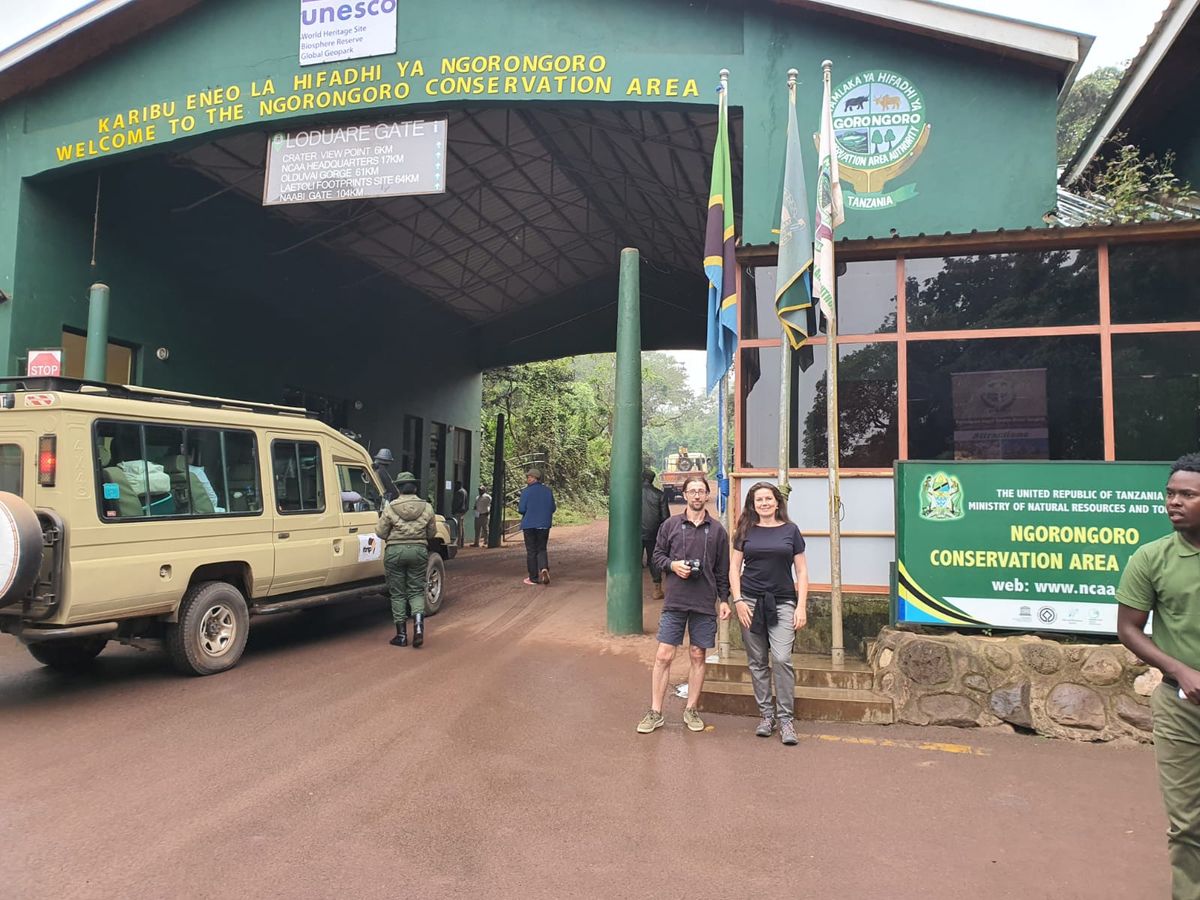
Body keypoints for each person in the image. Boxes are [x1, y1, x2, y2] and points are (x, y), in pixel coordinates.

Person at [1117, 453, 1200, 899]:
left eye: (1187, 494)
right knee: (1188, 821)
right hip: (1181, 708)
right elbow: (1128, 628)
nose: (1174, 502)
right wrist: (1179, 669)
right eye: (1170, 493)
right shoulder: (1151, 558)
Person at [637, 475, 730, 734]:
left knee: (698, 654)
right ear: (685, 495)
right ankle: (655, 711)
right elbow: (656, 556)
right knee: (663, 655)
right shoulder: (670, 525)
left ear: (707, 495)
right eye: (692, 491)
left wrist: (724, 600)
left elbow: (723, 569)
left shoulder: (718, 530)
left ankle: (691, 708)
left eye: (701, 491)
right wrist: (672, 565)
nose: (697, 496)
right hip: (676, 600)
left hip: (704, 600)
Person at [729, 481, 809, 745]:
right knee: (757, 660)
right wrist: (738, 600)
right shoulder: (744, 531)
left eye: (768, 499)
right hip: (750, 601)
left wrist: (801, 605)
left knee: (782, 657)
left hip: (783, 601)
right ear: (752, 505)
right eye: (758, 500)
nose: (764, 503)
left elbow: (802, 571)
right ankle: (766, 715)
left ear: (777, 502)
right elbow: (734, 569)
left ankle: (786, 719)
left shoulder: (791, 530)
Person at [375, 471, 436, 648]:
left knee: (398, 593)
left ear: (399, 488)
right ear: (415, 488)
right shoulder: (427, 507)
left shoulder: (390, 507)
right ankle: (418, 629)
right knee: (416, 591)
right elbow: (432, 533)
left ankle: (401, 635)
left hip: (395, 551)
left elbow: (380, 532)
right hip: (418, 550)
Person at [518, 467, 556, 585]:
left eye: (529, 477)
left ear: (535, 478)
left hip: (529, 525)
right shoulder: (548, 491)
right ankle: (543, 568)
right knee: (541, 548)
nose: (527, 479)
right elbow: (553, 508)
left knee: (531, 551)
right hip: (544, 525)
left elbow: (521, 509)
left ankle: (533, 578)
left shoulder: (526, 492)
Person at [641, 468, 671, 601]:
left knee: (634, 559)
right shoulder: (660, 494)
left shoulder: (633, 492)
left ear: (642, 478)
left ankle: (631, 588)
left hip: (634, 532)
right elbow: (666, 517)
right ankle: (657, 590)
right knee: (654, 559)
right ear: (652, 480)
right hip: (653, 532)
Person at [452, 480, 469, 548]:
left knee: (459, 527)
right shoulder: (465, 491)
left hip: (458, 511)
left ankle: (459, 543)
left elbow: (457, 502)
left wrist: (454, 510)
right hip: (463, 511)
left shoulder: (459, 492)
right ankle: (461, 542)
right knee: (461, 527)